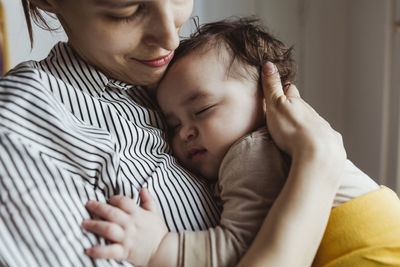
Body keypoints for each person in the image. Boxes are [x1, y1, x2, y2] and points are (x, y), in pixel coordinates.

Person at [0, 1, 346, 267]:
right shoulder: (21, 131)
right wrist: (319, 165)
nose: (169, 38)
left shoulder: (198, 77)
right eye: (126, 10)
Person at [81, 18, 400, 267]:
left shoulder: (251, 152)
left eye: (203, 109)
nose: (184, 133)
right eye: (173, 124)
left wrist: (159, 247)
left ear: (266, 100)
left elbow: (243, 250)